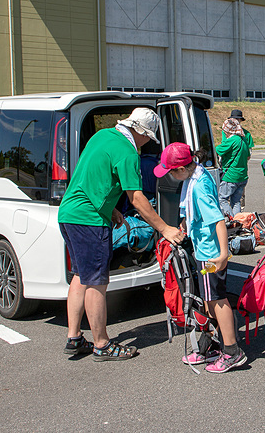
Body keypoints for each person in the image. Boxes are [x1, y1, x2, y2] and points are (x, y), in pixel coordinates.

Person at [59, 108, 184, 361]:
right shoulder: (128, 153)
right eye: (148, 136)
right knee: (97, 282)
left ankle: (74, 337)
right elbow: (137, 198)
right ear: (139, 131)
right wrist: (165, 228)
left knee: (80, 277)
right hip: (89, 221)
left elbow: (92, 179)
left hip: (69, 213)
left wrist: (112, 209)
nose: (148, 141)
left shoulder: (102, 136)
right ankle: (102, 344)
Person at [154, 142, 247, 372]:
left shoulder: (200, 186)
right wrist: (185, 225)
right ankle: (213, 342)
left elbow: (217, 221)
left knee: (217, 300)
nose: (170, 177)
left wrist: (223, 255)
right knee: (207, 299)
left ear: (182, 169)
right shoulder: (195, 177)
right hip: (204, 250)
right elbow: (194, 213)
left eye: (171, 172)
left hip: (211, 255)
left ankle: (232, 351)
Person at [215, 117, 251, 217]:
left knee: (222, 199)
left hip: (231, 176)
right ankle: (238, 221)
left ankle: (231, 220)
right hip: (242, 175)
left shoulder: (232, 140)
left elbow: (218, 150)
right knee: (236, 201)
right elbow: (248, 155)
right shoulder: (243, 139)